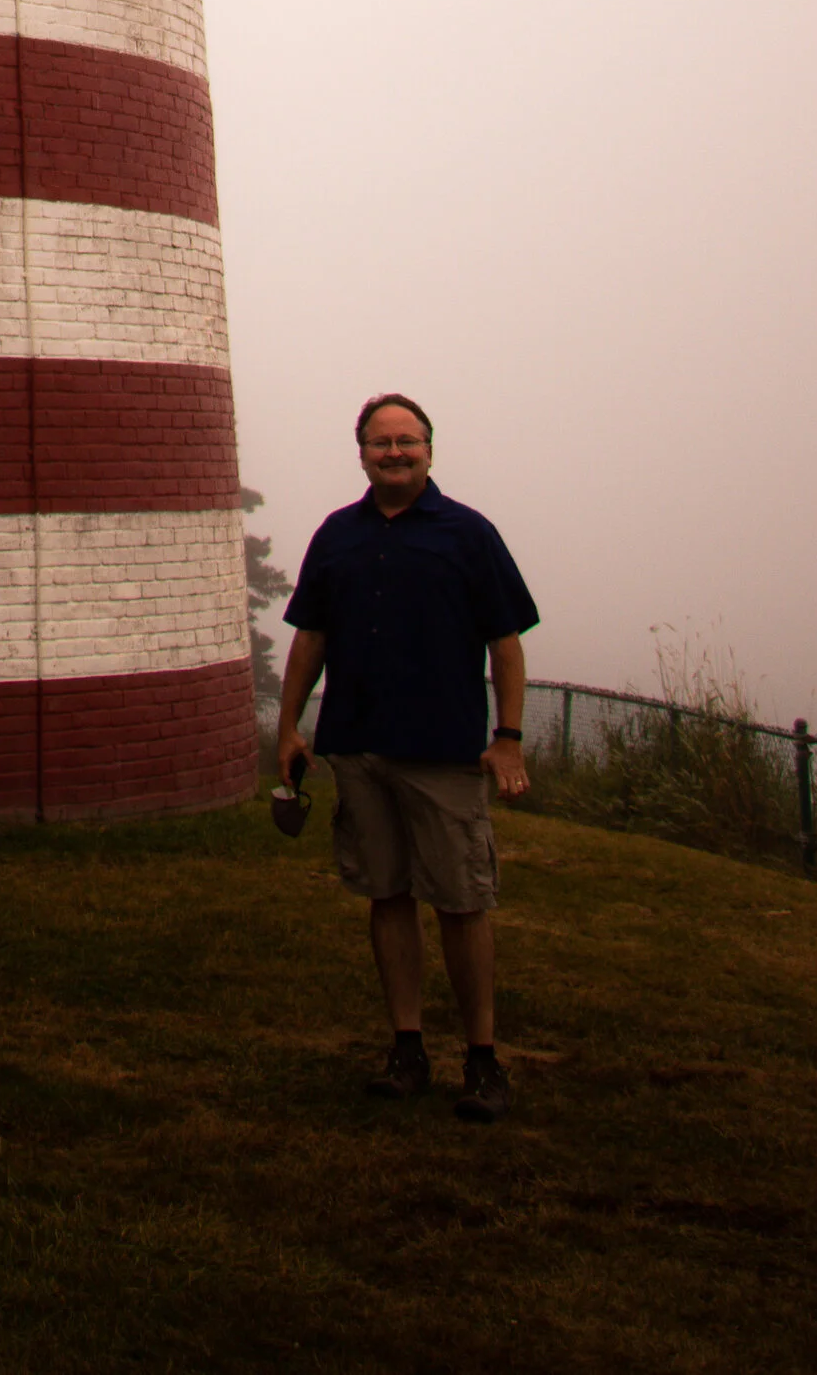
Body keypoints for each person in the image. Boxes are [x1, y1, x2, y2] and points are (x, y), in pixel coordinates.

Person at [274, 393, 538, 1122]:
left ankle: (482, 1060)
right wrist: (289, 726)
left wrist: (507, 737)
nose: (395, 453)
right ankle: (407, 1047)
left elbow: (506, 643)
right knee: (387, 897)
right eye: (380, 442)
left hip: (444, 752)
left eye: (407, 441)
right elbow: (311, 637)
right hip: (358, 746)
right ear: (361, 452)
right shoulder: (337, 536)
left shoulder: (468, 534)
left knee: (462, 902)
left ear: (430, 448)